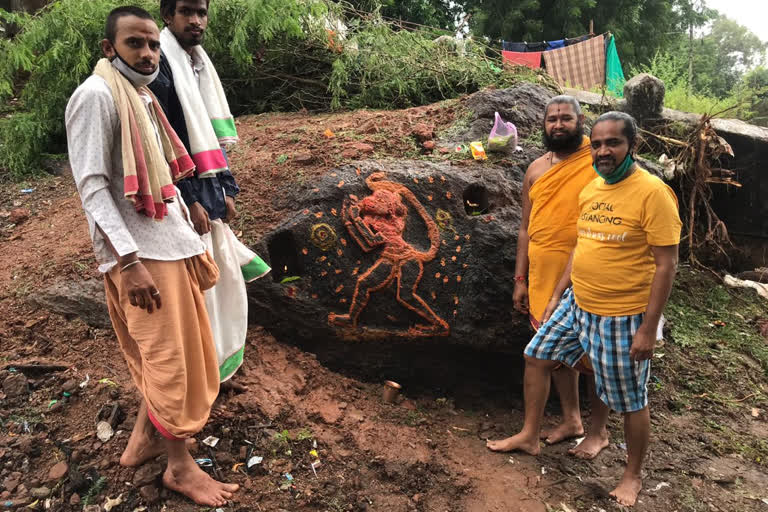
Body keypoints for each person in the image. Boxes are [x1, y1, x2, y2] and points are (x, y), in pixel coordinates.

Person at [65, 6, 238, 506]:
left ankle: (142, 441)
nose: (147, 53)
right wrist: (128, 261)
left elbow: (155, 171)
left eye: (152, 45)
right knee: (170, 364)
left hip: (169, 243)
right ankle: (179, 467)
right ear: (109, 49)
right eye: (135, 44)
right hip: (143, 258)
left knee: (176, 354)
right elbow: (93, 189)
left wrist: (185, 206)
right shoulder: (95, 96)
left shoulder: (140, 95)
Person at [487, 111, 681, 507]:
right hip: (578, 302)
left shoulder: (653, 193)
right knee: (537, 354)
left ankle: (632, 476)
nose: (604, 151)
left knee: (630, 399)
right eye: (598, 144)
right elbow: (582, 245)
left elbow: (667, 264)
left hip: (622, 313)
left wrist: (647, 328)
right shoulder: (593, 188)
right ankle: (529, 436)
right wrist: (560, 293)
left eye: (613, 143)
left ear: (633, 145)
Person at [149, 0, 270, 395]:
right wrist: (192, 198)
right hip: (183, 192)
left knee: (223, 279)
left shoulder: (198, 62)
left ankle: (219, 367)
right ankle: (200, 376)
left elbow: (210, 139)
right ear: (167, 16)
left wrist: (227, 188)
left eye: (201, 13)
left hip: (209, 184)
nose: (196, 21)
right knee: (200, 287)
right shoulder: (161, 65)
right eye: (187, 12)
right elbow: (164, 137)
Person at [490, 96, 599, 449]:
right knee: (556, 354)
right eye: (552, 119)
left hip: (587, 272)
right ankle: (571, 420)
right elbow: (524, 228)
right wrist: (519, 279)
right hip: (542, 273)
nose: (558, 125)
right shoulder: (536, 168)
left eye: (566, 118)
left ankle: (600, 431)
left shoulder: (597, 161)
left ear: (581, 120)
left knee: (593, 356)